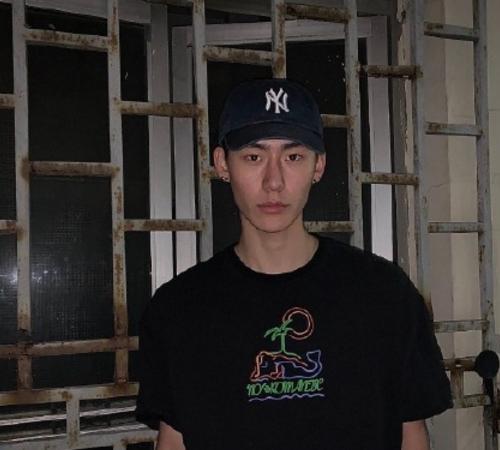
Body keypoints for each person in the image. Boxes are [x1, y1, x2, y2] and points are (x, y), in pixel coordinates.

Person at [135, 78, 452, 450]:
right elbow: (173, 441)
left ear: (319, 165)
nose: (274, 182)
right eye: (253, 157)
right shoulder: (179, 309)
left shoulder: (384, 293)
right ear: (223, 164)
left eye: (293, 157)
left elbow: (411, 435)